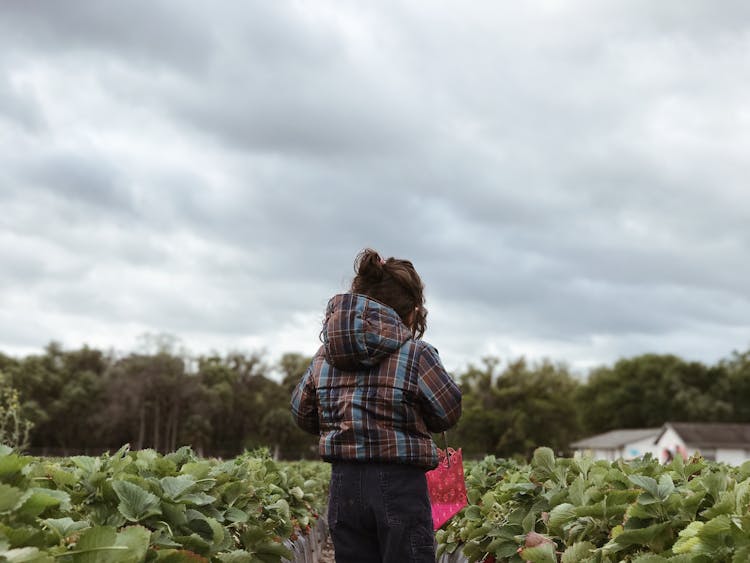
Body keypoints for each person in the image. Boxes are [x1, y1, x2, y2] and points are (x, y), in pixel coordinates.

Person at [291, 248, 462, 563]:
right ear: (411, 311)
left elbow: (302, 413)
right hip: (400, 484)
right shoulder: (416, 354)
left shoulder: (324, 356)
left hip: (344, 483)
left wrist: (340, 423)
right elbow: (447, 412)